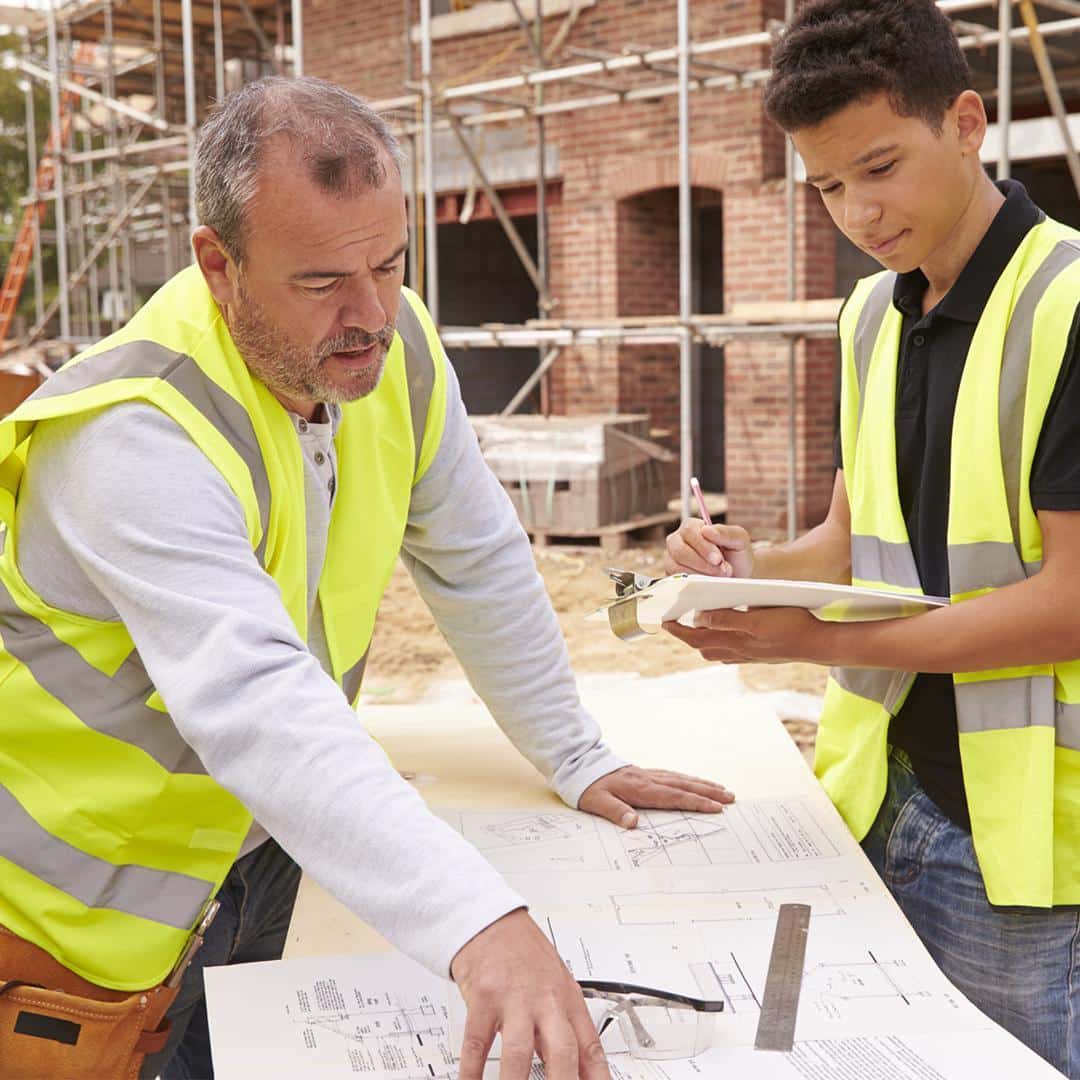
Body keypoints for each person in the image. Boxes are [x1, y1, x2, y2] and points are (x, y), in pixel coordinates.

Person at [0, 76, 734, 1080]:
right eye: (320, 282)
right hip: (70, 925)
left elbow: (477, 558)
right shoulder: (130, 435)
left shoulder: (398, 351)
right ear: (218, 264)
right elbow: (256, 701)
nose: (370, 314)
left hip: (260, 851)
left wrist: (574, 751)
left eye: (389, 264)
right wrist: (481, 925)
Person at [663, 1, 1080, 1075]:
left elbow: (1071, 603)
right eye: (827, 185)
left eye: (880, 166)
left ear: (970, 120)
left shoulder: (1072, 307)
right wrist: (747, 573)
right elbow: (856, 542)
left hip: (1025, 852)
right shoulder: (868, 319)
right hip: (873, 797)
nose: (858, 209)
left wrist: (813, 642)